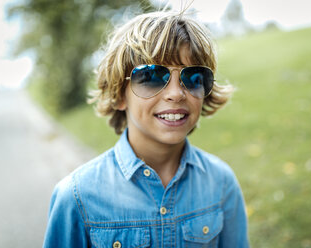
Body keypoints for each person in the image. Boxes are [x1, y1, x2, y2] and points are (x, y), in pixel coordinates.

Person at [43, 10, 249, 248]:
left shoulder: (221, 183)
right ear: (120, 95)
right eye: (151, 76)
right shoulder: (77, 198)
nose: (176, 93)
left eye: (193, 77)